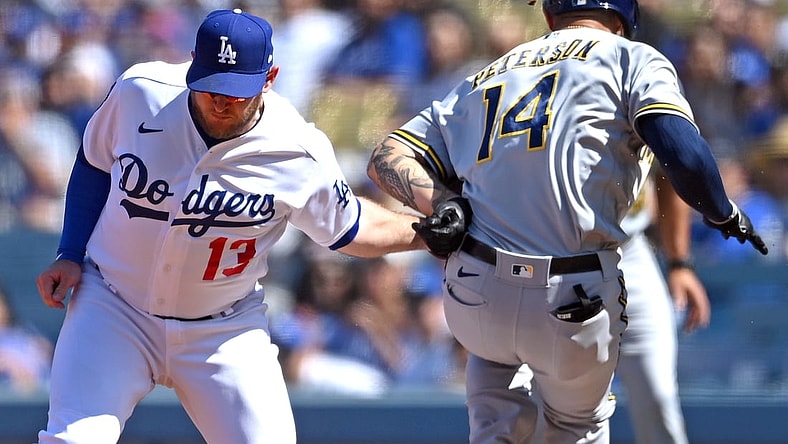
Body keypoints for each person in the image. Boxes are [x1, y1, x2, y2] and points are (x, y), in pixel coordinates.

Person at [366, 0, 769, 442]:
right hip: (572, 291)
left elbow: (386, 155)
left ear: (549, 16)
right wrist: (723, 212)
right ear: (624, 18)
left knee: (495, 417)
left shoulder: (488, 74)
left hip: (477, 288)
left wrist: (443, 202)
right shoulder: (631, 58)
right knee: (577, 425)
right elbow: (685, 156)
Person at [34, 8, 423, 444]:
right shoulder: (142, 91)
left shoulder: (296, 150)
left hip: (222, 330)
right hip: (113, 308)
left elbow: (351, 228)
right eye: (211, 86)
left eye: (236, 92)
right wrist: (69, 252)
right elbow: (93, 162)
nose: (220, 101)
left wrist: (424, 233)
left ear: (270, 77)